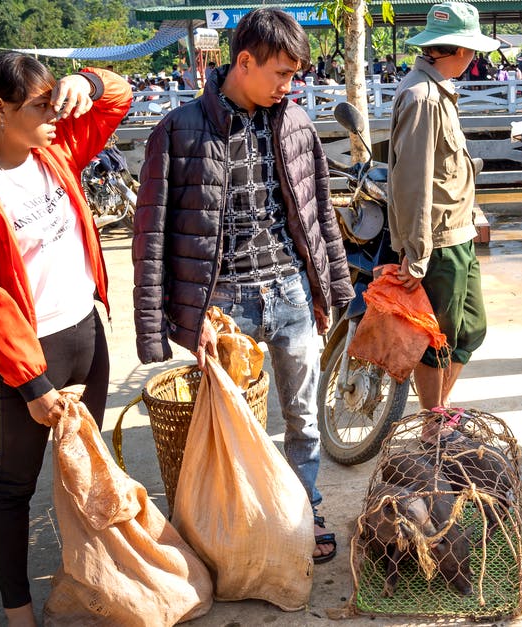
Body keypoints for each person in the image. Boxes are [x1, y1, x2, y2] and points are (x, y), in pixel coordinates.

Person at [132, 8, 353, 564]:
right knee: (231, 429)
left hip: (291, 291)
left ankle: (303, 507)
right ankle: (239, 523)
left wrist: (335, 290)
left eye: (295, 74)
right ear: (244, 61)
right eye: (281, 73)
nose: (289, 85)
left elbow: (319, 213)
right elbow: (152, 236)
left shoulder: (296, 123)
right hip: (224, 307)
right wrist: (182, 318)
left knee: (303, 413)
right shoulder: (178, 130)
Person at [0, 53, 130, 626]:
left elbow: (118, 97)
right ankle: (18, 611)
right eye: (39, 105)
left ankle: (94, 581)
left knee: (88, 475)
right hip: (32, 355)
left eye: (53, 103)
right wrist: (32, 383)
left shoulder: (56, 149)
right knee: (13, 486)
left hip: (86, 336)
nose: (53, 114)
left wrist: (85, 82)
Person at [388, 1, 498, 410]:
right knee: (437, 339)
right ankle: (432, 422)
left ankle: (435, 410)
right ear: (458, 51)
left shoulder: (438, 91)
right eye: (470, 52)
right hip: (437, 240)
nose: (472, 60)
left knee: (470, 330)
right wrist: (416, 255)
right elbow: (412, 184)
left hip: (459, 229)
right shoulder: (422, 97)